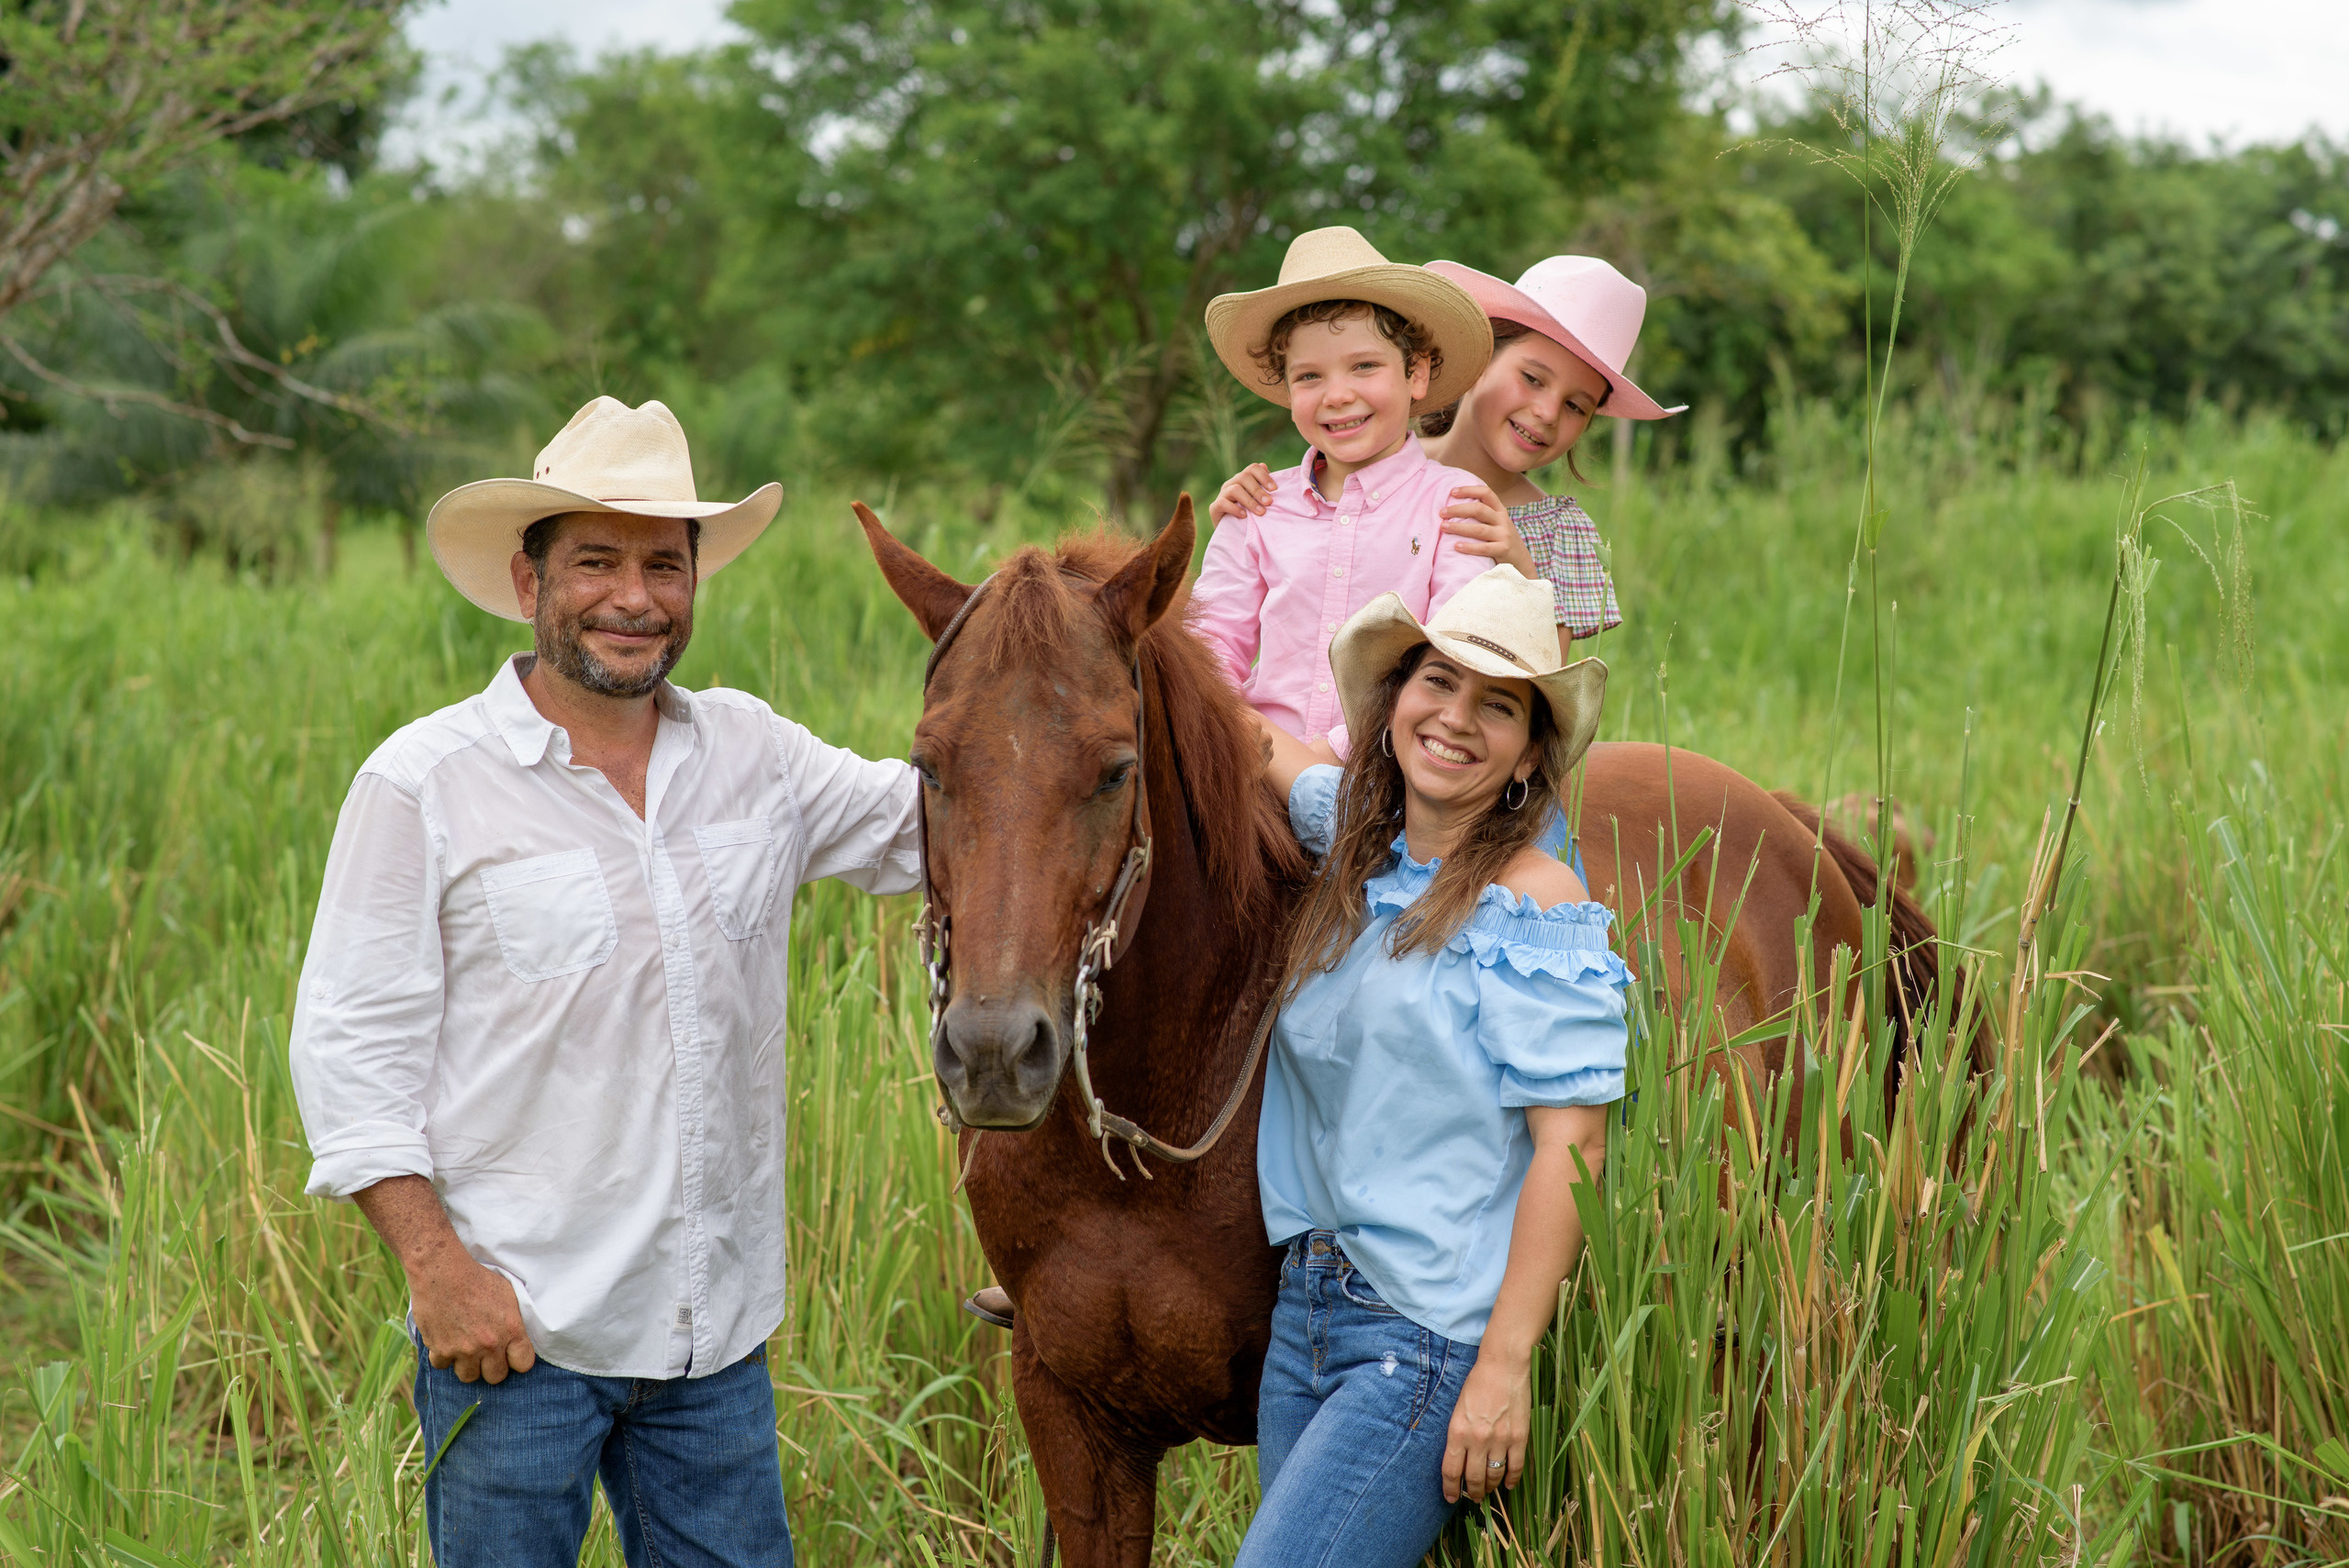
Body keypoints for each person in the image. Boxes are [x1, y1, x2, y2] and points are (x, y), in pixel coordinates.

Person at [287, 396, 921, 1568]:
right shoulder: (426, 782)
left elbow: (952, 827)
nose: (634, 597)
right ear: (528, 576)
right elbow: (349, 1049)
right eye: (596, 560)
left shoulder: (756, 753)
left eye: (664, 565)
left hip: (710, 1342)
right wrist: (439, 1272)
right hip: (515, 1330)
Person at [1238, 564, 1631, 1568]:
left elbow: (1573, 1144)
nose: (1454, 717)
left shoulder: (1533, 904)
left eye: (1496, 705)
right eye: (1435, 682)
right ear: (1392, 702)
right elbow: (1262, 750)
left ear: (1526, 758)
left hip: (1420, 1338)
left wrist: (1503, 1364)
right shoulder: (1357, 852)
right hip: (1306, 1315)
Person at [1215, 254, 1686, 661]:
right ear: (1481, 361)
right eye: (1533, 378)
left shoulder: (1561, 532)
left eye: (1575, 406)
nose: (1545, 412)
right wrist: (1247, 511)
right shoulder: (1367, 454)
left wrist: (1518, 565)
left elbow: (1546, 684)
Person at [1190, 225, 1513, 760]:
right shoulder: (1257, 507)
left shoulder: (1453, 502)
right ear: (1287, 390)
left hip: (1391, 766)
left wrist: (1333, 754)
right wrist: (1243, 738)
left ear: (1417, 374)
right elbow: (1211, 644)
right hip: (1256, 759)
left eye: (1364, 366)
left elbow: (1449, 651)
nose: (1338, 396)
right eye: (1309, 376)